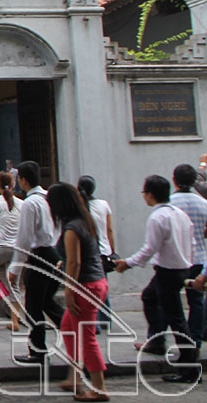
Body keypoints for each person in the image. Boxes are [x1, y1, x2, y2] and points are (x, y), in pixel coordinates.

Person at [115, 174, 200, 383]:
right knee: (149, 297)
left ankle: (189, 368)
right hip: (180, 268)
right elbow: (193, 243)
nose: (144, 196)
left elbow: (149, 249)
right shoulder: (179, 214)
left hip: (168, 271)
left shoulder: (158, 217)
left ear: (150, 195)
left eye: (144, 193)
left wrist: (128, 263)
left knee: (177, 319)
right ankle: (157, 341)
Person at [46, 183, 109, 401]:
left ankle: (99, 388)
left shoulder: (72, 228)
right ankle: (75, 376)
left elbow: (75, 263)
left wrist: (69, 291)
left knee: (86, 337)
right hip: (96, 282)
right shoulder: (85, 221)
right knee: (67, 327)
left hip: (85, 286)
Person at [8, 160, 64, 363]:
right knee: (46, 301)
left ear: (23, 180)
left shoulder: (30, 203)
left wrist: (15, 267)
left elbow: (24, 237)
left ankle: (37, 350)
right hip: (52, 252)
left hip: (39, 255)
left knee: (33, 304)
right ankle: (72, 328)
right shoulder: (49, 198)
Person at [171, 164, 207, 351]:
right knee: (197, 301)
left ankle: (181, 340)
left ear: (174, 180)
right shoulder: (204, 203)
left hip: (177, 260)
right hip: (200, 258)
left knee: (170, 300)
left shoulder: (169, 204)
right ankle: (196, 339)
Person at [76, 175, 116, 333]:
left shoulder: (79, 208)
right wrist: (112, 250)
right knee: (102, 287)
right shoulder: (103, 205)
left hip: (88, 253)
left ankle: (95, 323)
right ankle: (105, 320)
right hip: (104, 251)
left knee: (89, 289)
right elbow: (109, 230)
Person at [0, 170, 23, 331]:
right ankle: (15, 319)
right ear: (13, 184)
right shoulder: (22, 204)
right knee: (15, 284)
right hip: (17, 248)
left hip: (1, 247)